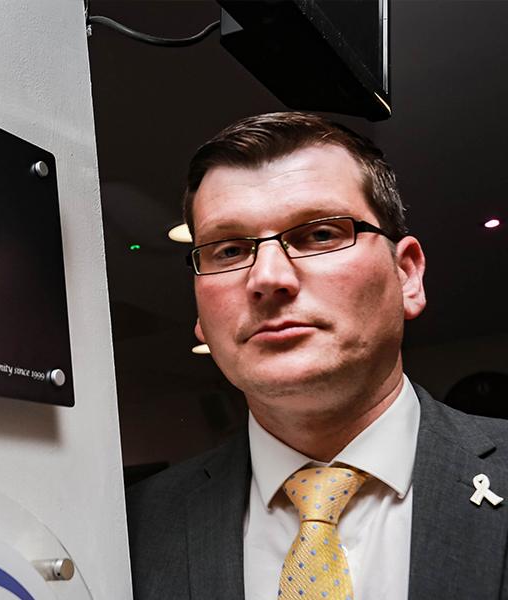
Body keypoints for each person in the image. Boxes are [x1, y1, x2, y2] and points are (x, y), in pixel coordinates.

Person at [126, 112, 508, 600]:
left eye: (320, 234)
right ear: (200, 311)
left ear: (407, 275)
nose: (266, 277)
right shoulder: (133, 528)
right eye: (228, 251)